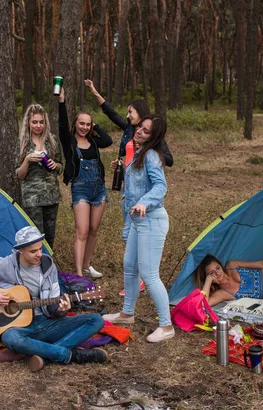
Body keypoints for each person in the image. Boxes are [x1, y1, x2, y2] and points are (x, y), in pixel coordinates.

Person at [0, 226, 108, 372]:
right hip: (20, 328)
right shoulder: (4, 265)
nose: (39, 255)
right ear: (20, 250)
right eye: (33, 251)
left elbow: (52, 308)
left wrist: (61, 310)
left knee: (96, 320)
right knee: (10, 338)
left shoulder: (48, 266)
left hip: (46, 323)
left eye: (40, 249)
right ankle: (69, 355)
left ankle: (44, 355)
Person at [85, 79, 174, 295]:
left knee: (137, 235)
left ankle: (142, 279)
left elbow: (168, 159)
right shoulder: (128, 130)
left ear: (141, 114)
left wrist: (147, 156)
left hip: (142, 194)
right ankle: (134, 281)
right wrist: (94, 92)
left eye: (131, 112)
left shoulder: (149, 136)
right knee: (128, 234)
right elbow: (110, 112)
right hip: (127, 189)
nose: (127, 115)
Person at [102, 115, 175, 343]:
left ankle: (166, 325)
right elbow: (137, 183)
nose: (140, 132)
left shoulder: (152, 156)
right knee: (130, 267)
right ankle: (127, 313)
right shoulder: (139, 154)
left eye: (146, 131)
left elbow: (160, 186)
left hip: (151, 219)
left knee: (149, 274)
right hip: (137, 220)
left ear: (154, 137)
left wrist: (145, 202)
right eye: (140, 128)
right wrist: (123, 169)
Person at [58, 87, 113, 279]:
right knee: (81, 231)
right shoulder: (69, 142)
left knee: (93, 230)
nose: (84, 127)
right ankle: (80, 273)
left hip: (99, 190)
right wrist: (62, 102)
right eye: (81, 124)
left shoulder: (94, 142)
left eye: (88, 124)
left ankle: (88, 265)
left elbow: (108, 140)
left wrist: (96, 126)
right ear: (75, 124)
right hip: (80, 189)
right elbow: (63, 125)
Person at [15, 104, 64, 248]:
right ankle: (35, 267)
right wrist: (27, 160)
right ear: (28, 123)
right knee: (35, 237)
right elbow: (19, 174)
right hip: (32, 198)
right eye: (34, 122)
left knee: (49, 236)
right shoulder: (23, 143)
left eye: (41, 122)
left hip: (51, 196)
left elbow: (61, 166)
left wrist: (56, 165)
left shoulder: (52, 140)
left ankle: (47, 264)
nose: (38, 125)